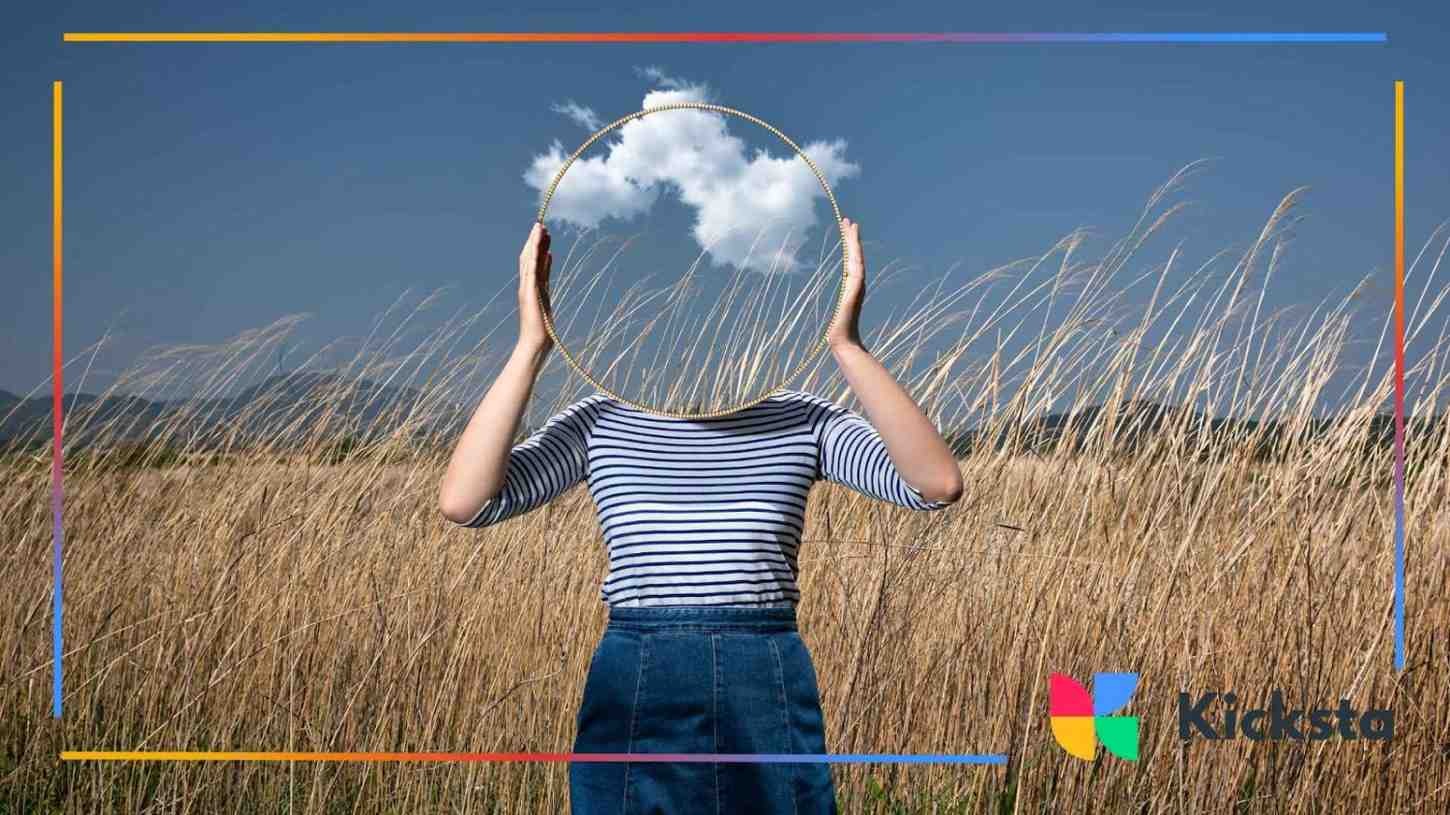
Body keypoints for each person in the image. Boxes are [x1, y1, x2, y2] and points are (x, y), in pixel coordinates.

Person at [439, 217, 964, 814]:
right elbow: (466, 502)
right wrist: (531, 344)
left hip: (762, 667)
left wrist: (847, 343)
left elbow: (936, 484)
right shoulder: (601, 423)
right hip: (638, 664)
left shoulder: (802, 420)